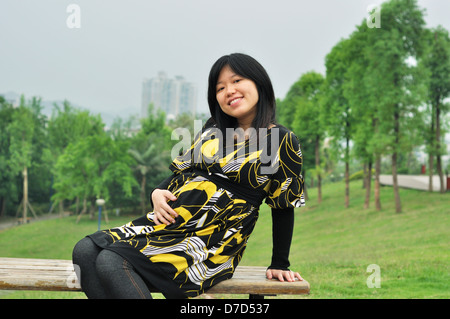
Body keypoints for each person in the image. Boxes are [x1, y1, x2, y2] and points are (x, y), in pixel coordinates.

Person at [72, 53, 305, 299]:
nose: (229, 91)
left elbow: (283, 205)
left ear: (259, 83)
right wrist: (157, 191)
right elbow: (184, 170)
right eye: (220, 87)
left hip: (210, 237)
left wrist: (280, 263)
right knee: (86, 250)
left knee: (112, 261)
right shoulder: (213, 127)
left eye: (236, 81)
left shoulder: (280, 140)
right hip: (170, 222)